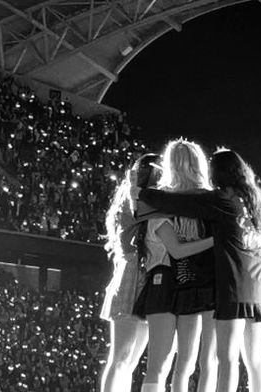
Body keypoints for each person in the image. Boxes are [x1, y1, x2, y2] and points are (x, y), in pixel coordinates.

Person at [133, 148, 261, 392]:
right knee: (255, 359)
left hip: (235, 286)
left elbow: (178, 202)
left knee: (227, 358)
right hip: (260, 285)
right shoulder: (253, 201)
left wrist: (142, 192)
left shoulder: (221, 200)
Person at [132, 142, 215, 392]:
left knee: (182, 362)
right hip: (171, 281)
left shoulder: (160, 201)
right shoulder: (163, 205)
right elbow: (176, 249)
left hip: (182, 283)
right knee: (166, 362)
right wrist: (217, 240)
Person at [99, 154, 160, 392]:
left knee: (131, 361)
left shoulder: (141, 198)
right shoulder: (133, 199)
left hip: (146, 276)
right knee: (121, 357)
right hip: (132, 275)